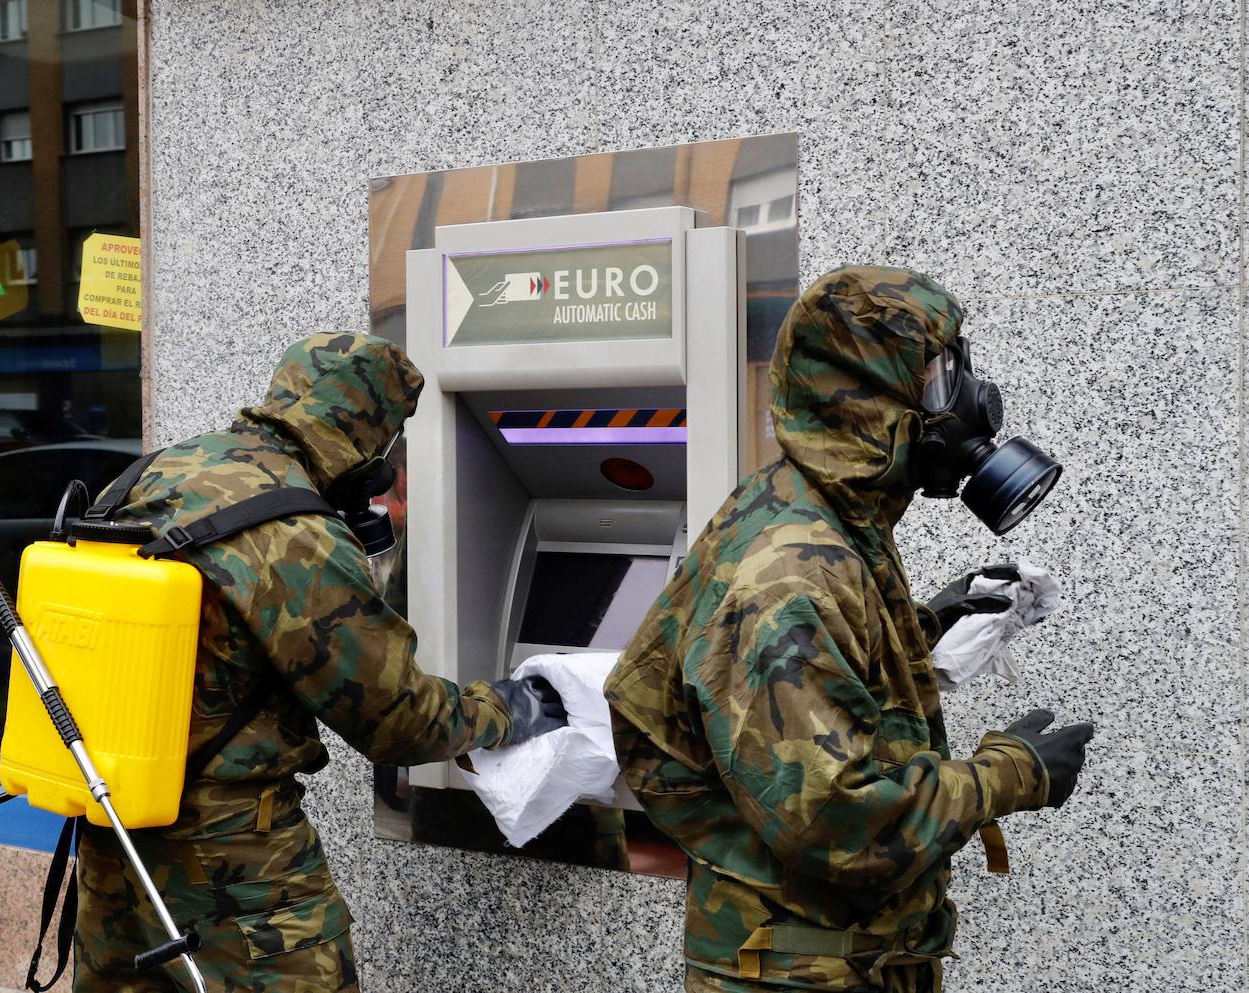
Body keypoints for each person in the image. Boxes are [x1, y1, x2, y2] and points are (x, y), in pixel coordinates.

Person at [605, 266, 1094, 993]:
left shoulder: (823, 503)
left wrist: (926, 622)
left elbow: (818, 681)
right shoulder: (793, 571)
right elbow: (839, 818)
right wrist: (1011, 775)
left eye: (954, 367)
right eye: (936, 377)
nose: (967, 398)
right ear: (866, 400)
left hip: (832, 953)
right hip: (799, 968)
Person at [72, 332, 566, 992]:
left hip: (112, 836)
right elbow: (397, 720)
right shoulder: (294, 532)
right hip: (237, 867)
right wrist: (512, 707)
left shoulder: (155, 473)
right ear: (367, 440)